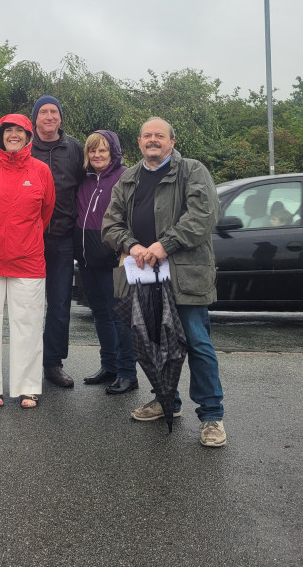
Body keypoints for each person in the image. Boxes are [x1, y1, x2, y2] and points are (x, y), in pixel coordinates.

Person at [102, 117, 227, 448]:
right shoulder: (128, 178)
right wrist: (132, 245)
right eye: (147, 136)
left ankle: (212, 415)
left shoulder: (192, 171)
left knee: (197, 344)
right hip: (143, 275)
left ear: (172, 142)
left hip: (184, 273)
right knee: (152, 344)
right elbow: (110, 225)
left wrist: (164, 244)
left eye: (159, 135)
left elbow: (203, 216)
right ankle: (165, 400)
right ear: (139, 142)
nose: (152, 140)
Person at [0, 114, 54, 409]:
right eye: (8, 131)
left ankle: (27, 387)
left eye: (20, 131)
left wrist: (23, 239)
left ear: (29, 137)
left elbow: (46, 213)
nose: (13, 135)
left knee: (27, 325)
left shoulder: (41, 170)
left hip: (28, 260)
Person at [75, 131, 138, 394]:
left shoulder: (125, 177)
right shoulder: (85, 179)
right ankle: (109, 366)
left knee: (120, 318)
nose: (97, 155)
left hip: (114, 259)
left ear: (113, 152)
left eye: (103, 150)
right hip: (87, 259)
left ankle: (127, 373)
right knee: (100, 314)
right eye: (92, 151)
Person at [30, 95, 84, 389]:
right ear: (35, 117)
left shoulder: (73, 148)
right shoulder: (27, 146)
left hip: (63, 238)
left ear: (60, 117)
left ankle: (53, 362)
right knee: (28, 302)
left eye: (54, 111)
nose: (49, 116)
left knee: (60, 303)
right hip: (29, 239)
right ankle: (27, 359)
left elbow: (82, 185)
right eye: (44, 112)